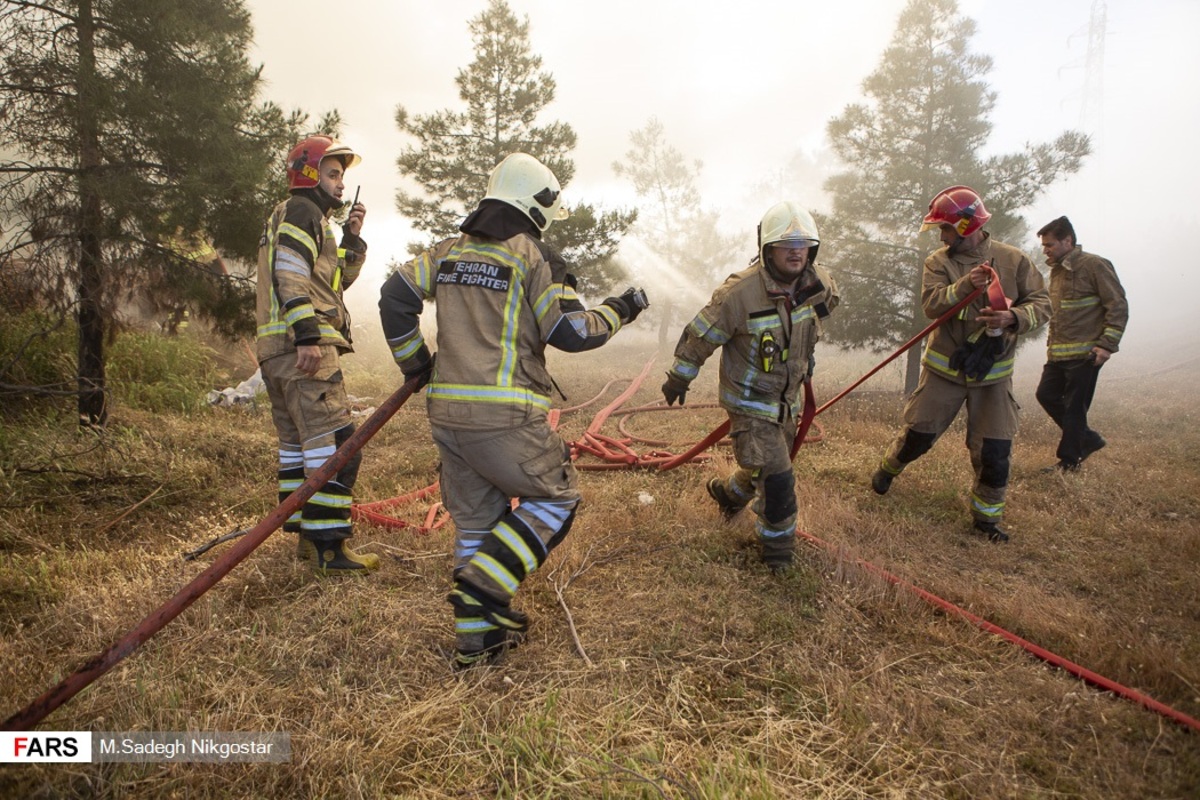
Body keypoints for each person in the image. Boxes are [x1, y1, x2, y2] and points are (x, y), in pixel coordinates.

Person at [379, 152, 648, 669]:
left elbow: (394, 296)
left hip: (448, 417)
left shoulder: (448, 251)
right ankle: (485, 585)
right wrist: (622, 308)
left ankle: (477, 647)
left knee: (478, 524)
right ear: (536, 204)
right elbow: (569, 333)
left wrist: (416, 362)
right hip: (505, 417)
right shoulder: (533, 255)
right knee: (557, 499)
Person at [661, 201, 839, 571]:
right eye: (785, 244)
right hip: (749, 403)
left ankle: (728, 495)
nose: (795, 251)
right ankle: (777, 556)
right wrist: (680, 375)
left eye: (803, 244)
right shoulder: (739, 293)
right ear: (767, 248)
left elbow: (825, 310)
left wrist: (805, 356)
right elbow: (702, 334)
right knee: (778, 479)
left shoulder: (818, 282)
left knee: (766, 465)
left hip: (786, 400)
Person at [870, 186, 1051, 543]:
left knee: (994, 451)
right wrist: (966, 284)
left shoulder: (1013, 260)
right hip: (945, 372)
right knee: (918, 435)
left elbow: (1043, 304)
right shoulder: (939, 262)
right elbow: (932, 305)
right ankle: (890, 467)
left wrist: (1012, 317)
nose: (942, 236)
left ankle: (986, 520)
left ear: (967, 226)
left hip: (993, 377)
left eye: (947, 229)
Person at [256, 134, 378, 574]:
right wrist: (307, 335)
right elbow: (291, 275)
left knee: (299, 449)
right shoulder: (303, 212)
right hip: (302, 350)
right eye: (332, 173)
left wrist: (352, 240)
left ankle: (306, 542)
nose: (341, 185)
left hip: (275, 352)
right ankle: (330, 550)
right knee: (339, 447)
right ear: (307, 173)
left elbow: (331, 284)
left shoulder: (292, 217)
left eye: (342, 176)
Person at [1034, 216, 1128, 471]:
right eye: (1044, 245)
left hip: (1087, 354)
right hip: (1058, 354)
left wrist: (1107, 345)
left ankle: (1068, 461)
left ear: (1068, 241)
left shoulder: (1095, 265)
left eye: (1050, 244)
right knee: (1045, 394)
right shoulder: (1057, 272)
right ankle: (1088, 439)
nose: (1046, 250)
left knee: (1075, 407)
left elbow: (1117, 305)